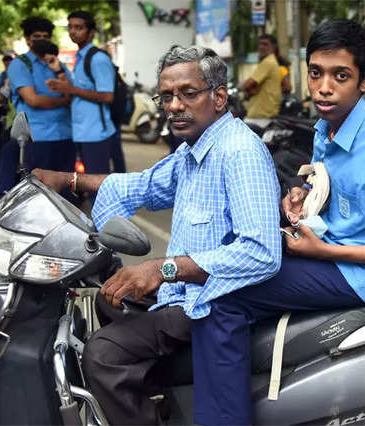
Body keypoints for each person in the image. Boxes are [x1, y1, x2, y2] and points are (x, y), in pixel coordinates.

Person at [190, 19, 365, 424]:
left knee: (220, 292)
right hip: (329, 250)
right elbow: (325, 183)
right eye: (316, 73)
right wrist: (302, 196)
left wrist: (324, 251)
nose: (324, 87)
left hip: (361, 274)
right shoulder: (327, 125)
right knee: (231, 247)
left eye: (341, 76)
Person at [32, 45, 281, 425]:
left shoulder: (238, 152)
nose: (175, 105)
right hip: (184, 290)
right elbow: (142, 186)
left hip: (211, 299)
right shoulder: (194, 150)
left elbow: (261, 252)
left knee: (101, 354)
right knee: (109, 300)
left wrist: (162, 269)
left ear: (218, 97)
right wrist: (69, 179)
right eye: (166, 96)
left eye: (188, 93)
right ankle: (164, 400)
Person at [0, 17, 73, 195]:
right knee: (41, 195)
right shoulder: (19, 65)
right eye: (37, 36)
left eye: (46, 36)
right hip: (37, 137)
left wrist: (59, 73)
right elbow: (33, 101)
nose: (42, 40)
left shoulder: (57, 64)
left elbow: (72, 95)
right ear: (28, 39)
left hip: (65, 134)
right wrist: (63, 100)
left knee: (66, 195)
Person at [46, 10, 119, 176]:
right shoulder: (80, 58)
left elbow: (108, 96)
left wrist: (70, 89)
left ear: (91, 32)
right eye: (70, 27)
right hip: (82, 132)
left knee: (98, 184)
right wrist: (60, 78)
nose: (73, 31)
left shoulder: (98, 59)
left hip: (97, 134)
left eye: (78, 27)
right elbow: (77, 92)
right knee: (87, 182)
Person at [241, 33, 282, 125]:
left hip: (260, 116)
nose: (261, 47)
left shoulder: (268, 62)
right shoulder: (272, 61)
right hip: (264, 115)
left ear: (273, 48)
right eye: (260, 44)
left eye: (265, 44)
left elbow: (248, 84)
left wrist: (245, 88)